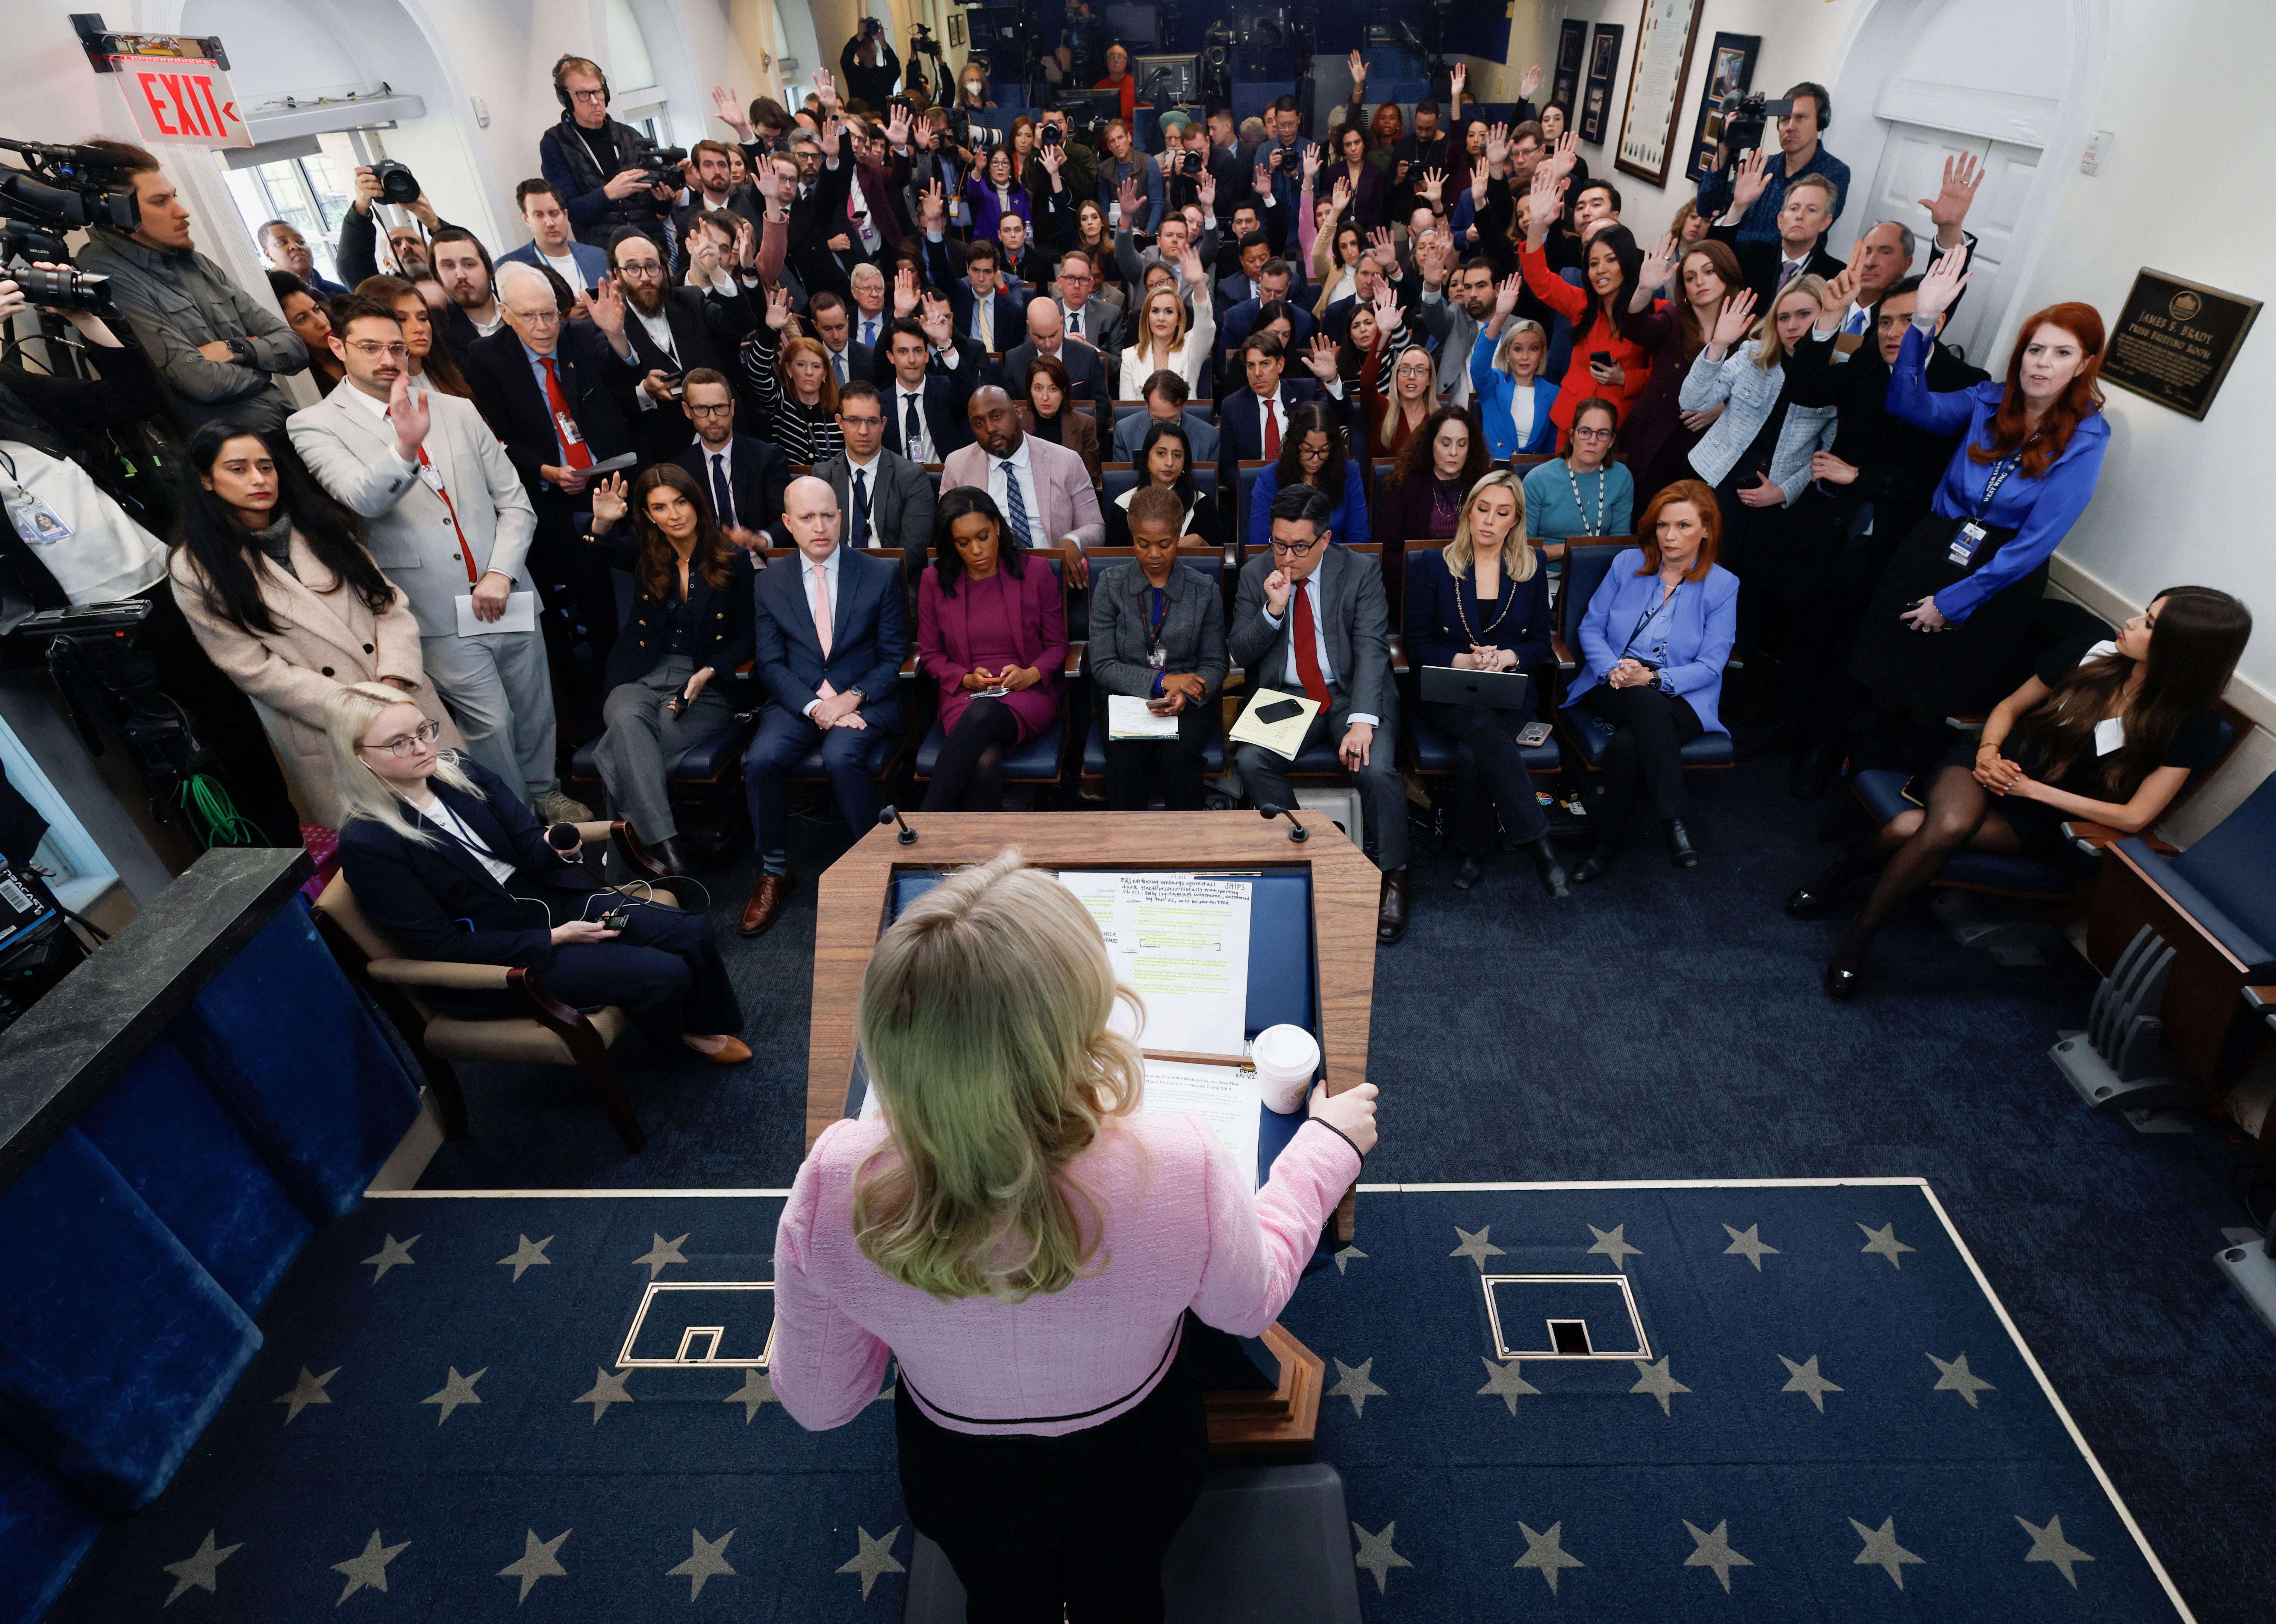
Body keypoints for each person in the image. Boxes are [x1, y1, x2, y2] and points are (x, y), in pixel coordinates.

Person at [771, 845, 1374, 1620]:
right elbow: (1249, 1306)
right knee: (1124, 1591)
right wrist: (1324, 1148)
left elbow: (822, 1401)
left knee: (999, 1599)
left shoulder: (836, 1180)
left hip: (959, 1478)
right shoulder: (1180, 1157)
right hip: (1134, 1461)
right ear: (1082, 1024)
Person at [1793, 588, 2251, 1001]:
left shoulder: (2190, 721)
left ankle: (1838, 877)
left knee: (1908, 826)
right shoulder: (2092, 654)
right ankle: (1859, 940)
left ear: (2181, 650)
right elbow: (2009, 707)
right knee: (1948, 824)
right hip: (1978, 769)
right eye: (2144, 613)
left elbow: (2134, 817)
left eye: (2150, 624)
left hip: (2037, 813)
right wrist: (1989, 752)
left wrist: (2032, 790)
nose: (2132, 623)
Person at [0, 267, 303, 844]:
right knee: (181, 767)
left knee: (236, 729)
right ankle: (252, 890)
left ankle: (299, 867)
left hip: (162, 579)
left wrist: (89, 319)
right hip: (86, 622)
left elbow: (130, 398)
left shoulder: (9, 386)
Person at [329, 683, 746, 1063]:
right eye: (400, 743)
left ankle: (699, 1025)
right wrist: (553, 937)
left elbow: (528, 840)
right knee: (663, 972)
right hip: (505, 954)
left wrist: (553, 849)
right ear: (359, 757)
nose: (422, 748)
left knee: (690, 932)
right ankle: (673, 1043)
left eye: (424, 731)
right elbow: (440, 945)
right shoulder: (369, 842)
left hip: (552, 900)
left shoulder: (459, 771)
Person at [290, 295, 586, 824]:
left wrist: (500, 573)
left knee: (534, 708)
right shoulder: (313, 425)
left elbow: (515, 503)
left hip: (508, 587)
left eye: (397, 348)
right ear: (337, 347)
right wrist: (404, 448)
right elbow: (362, 498)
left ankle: (547, 793)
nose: (388, 359)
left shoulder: (456, 408)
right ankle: (515, 820)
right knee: (489, 723)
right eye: (370, 347)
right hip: (434, 608)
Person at [1848, 249, 2111, 765]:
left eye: (2062, 354)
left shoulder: (2088, 437)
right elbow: (1908, 403)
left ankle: (1901, 807)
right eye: (2036, 350)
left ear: (2084, 364)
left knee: (1932, 701)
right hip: (1933, 543)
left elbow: (2037, 541)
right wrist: (1922, 322)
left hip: (1999, 575)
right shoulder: (1986, 400)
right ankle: (1855, 787)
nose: (2043, 364)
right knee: (1882, 682)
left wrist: (1953, 603)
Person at [168, 424, 455, 835]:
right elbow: (252, 669)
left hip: (402, 698)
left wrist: (390, 684)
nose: (258, 479)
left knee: (458, 810)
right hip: (324, 722)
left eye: (266, 467)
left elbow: (388, 604)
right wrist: (359, 711)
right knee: (390, 845)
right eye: (238, 468)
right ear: (205, 479)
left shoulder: (322, 526)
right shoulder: (195, 567)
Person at [1768, 269, 1990, 795]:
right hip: (1832, 526)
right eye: (1885, 321)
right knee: (1805, 629)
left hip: (1897, 541)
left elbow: (1941, 481)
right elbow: (1806, 388)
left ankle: (1824, 750)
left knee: (1854, 648)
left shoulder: (1965, 383)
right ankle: (1779, 730)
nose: (1893, 332)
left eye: (1907, 321)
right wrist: (1825, 323)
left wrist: (1860, 477)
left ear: (1935, 321)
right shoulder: (1868, 360)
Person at [1232, 482, 1407, 937]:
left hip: (1351, 693)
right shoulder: (1256, 575)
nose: (1287, 558)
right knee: (1250, 759)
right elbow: (1240, 652)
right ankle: (1312, 857)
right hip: (1289, 698)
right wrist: (1273, 610)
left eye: (1300, 547)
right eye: (1278, 544)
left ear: (1326, 540)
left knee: (1376, 769)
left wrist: (1363, 720)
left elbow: (1372, 651)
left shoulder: (1360, 571)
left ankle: (1393, 875)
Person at [741, 475, 905, 929]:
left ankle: (874, 865)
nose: (820, 526)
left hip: (865, 700)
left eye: (828, 515)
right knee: (760, 759)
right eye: (807, 517)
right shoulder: (769, 583)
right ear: (787, 523)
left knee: (841, 757)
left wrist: (851, 699)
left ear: (841, 518)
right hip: (798, 701)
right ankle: (775, 872)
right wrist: (817, 708)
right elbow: (771, 665)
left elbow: (894, 658)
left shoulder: (879, 574)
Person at [578, 465, 758, 875]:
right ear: (649, 515)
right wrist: (602, 522)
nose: (674, 514)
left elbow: (748, 639)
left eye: (680, 502)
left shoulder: (733, 560)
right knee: (625, 720)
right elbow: (597, 550)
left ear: (695, 502)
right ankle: (668, 846)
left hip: (704, 684)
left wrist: (708, 672)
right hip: (638, 675)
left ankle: (632, 861)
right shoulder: (643, 552)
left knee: (626, 749)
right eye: (660, 507)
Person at [465, 263, 643, 666]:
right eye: (529, 316)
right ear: (504, 313)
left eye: (550, 314)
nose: (544, 326)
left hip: (614, 476)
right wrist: (544, 471)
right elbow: (501, 439)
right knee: (592, 587)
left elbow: (623, 372)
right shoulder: (487, 357)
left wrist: (615, 334)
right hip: (553, 491)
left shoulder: (579, 335)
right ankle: (608, 672)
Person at [1562, 480, 1735, 879]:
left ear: (1707, 529)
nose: (1670, 536)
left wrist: (1655, 679)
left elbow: (1712, 665)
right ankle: (1673, 821)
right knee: (1644, 705)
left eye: (1684, 526)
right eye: (1663, 526)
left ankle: (1604, 846)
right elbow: (1591, 629)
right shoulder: (1628, 564)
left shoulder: (1724, 586)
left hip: (1683, 694)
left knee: (1627, 744)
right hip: (1615, 681)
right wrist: (1614, 670)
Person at [1404, 470, 1565, 895]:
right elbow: (1415, 645)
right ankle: (1539, 844)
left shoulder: (1531, 567)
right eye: (1482, 509)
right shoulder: (1436, 566)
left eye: (1502, 513)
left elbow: (1539, 645)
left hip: (1507, 691)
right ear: (1468, 512)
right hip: (1448, 691)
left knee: (1476, 750)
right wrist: (1464, 660)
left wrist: (1508, 657)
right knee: (1477, 724)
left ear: (1515, 520)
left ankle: (1474, 849)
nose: (1490, 521)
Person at [73, 141, 308, 432]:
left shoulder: (194, 261)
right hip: (232, 455)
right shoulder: (104, 271)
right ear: (116, 212)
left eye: (175, 197)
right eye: (160, 202)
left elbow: (295, 348)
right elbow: (203, 382)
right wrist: (263, 368)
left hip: (288, 425)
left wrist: (234, 349)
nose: (182, 211)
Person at [1676, 275, 1837, 592]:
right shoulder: (1752, 354)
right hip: (1715, 478)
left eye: (1804, 315)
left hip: (1775, 496)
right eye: (1784, 317)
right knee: (1691, 570)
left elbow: (1829, 455)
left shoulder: (1839, 373)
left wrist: (1784, 492)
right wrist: (1719, 344)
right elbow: (1692, 402)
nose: (1792, 326)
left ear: (1826, 316)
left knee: (1742, 586)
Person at [916, 489, 1069, 811]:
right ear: (951, 543)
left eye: (983, 536)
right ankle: (986, 857)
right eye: (963, 542)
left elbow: (1058, 646)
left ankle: (925, 821)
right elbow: (930, 656)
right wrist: (966, 679)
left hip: (1028, 693)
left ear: (997, 527)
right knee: (984, 759)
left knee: (982, 716)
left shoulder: (1036, 572)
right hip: (965, 694)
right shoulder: (934, 580)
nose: (976, 550)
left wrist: (1031, 674)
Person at [1091, 488, 1228, 811]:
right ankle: (1130, 855)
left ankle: (1188, 855)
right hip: (1126, 699)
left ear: (1178, 535)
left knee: (1178, 760)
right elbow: (1102, 664)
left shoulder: (1203, 590)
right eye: (1143, 544)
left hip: (1188, 702)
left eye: (1164, 544)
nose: (1154, 554)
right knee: (1126, 761)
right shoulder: (1110, 585)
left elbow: (1214, 664)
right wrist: (1164, 682)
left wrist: (1187, 693)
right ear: (1131, 534)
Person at [1515, 168, 1666, 438]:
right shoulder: (1582, 303)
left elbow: (1664, 374)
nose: (1601, 270)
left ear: (1627, 262)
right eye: (1593, 263)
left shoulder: (1654, 311)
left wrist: (1624, 379)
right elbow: (1539, 279)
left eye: (1610, 260)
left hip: (1618, 425)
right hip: (1570, 420)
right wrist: (1538, 225)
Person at [607, 227, 758, 460]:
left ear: (663, 269)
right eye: (633, 268)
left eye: (651, 266)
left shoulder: (690, 299)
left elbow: (741, 324)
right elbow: (613, 397)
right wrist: (644, 392)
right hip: (668, 450)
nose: (645, 277)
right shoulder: (610, 323)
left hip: (727, 433)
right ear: (618, 274)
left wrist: (715, 270)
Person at [940, 387, 1106, 587]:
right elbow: (946, 532)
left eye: (997, 416)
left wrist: (1073, 541)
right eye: (979, 423)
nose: (990, 428)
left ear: (1018, 413)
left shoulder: (1065, 461)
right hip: (987, 580)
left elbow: (1095, 526)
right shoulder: (957, 465)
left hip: (1053, 576)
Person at [1622, 236, 1745, 501]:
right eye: (1690, 278)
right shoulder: (1672, 320)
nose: (1700, 282)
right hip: (1652, 441)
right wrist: (1644, 288)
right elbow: (1634, 327)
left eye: (1709, 272)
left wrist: (1722, 408)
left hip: (1706, 450)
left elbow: (1757, 393)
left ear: (1727, 273)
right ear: (1684, 291)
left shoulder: (1747, 331)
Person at [539, 55, 678, 249]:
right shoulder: (556, 144)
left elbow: (659, 209)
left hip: (650, 248)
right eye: (583, 94)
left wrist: (664, 199)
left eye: (598, 92)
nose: (595, 101)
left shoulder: (630, 136)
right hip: (604, 255)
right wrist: (609, 193)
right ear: (566, 99)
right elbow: (569, 211)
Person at [1695, 81, 1847, 247]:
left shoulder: (1834, 173)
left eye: (1801, 118)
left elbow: (1797, 236)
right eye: (1785, 120)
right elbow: (1706, 207)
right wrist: (1724, 146)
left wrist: (1732, 230)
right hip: (1736, 267)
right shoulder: (1762, 167)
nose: (1790, 127)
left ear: (1821, 122)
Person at [812, 382, 935, 576]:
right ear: (840, 422)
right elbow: (815, 546)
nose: (863, 431)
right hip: (837, 579)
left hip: (893, 581)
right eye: (853, 421)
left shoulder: (911, 477)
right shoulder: (822, 477)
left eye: (871, 421)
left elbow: (913, 551)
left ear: (883, 424)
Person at [669, 369, 790, 551]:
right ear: (688, 411)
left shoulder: (767, 457)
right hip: (704, 564)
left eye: (720, 407)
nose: (713, 418)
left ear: (732, 408)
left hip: (757, 561)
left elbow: (787, 519)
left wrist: (759, 540)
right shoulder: (679, 469)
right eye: (702, 409)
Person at [1705, 158, 1844, 310]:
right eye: (1794, 208)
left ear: (1826, 222)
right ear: (1780, 220)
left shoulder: (1835, 275)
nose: (1800, 216)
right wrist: (1739, 206)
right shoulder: (1754, 254)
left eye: (1811, 210)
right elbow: (1713, 260)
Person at [1378, 407, 1490, 594]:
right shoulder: (1405, 486)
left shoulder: (1483, 487)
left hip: (1474, 586)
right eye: (1446, 444)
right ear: (1431, 444)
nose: (1454, 452)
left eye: (1462, 445)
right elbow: (1388, 554)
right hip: (1417, 587)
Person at [1519, 397, 1635, 561]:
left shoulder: (1621, 477)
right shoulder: (1538, 479)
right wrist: (1572, 549)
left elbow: (1620, 542)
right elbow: (1522, 548)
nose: (1593, 441)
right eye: (1585, 432)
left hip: (1601, 570)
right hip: (1545, 573)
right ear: (1573, 437)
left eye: (1602, 434)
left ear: (1611, 441)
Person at [1246, 401, 1371, 551]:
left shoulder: (1349, 473)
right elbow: (1260, 545)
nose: (1316, 459)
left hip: (1336, 568)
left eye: (1324, 451)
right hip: (1283, 566)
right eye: (1307, 450)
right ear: (1294, 446)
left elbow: (1358, 540)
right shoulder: (1269, 477)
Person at [743, 288, 847, 464]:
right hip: (790, 485)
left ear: (825, 374)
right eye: (801, 365)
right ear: (789, 370)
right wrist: (770, 331)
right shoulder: (780, 401)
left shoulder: (839, 409)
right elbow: (757, 371)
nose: (809, 372)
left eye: (816, 366)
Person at [876, 312, 977, 465]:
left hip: (946, 481)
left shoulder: (946, 389)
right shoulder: (881, 403)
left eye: (918, 351)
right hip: (899, 486)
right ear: (891, 357)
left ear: (927, 356)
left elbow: (968, 395)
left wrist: (945, 343)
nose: (912, 360)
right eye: (903, 352)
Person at [1218, 331, 1329, 465]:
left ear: (1280, 365)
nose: (1258, 373)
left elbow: (1340, 416)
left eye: (1265, 364)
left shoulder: (1305, 392)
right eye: (1251, 366)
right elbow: (1228, 466)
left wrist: (1331, 379)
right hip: (1257, 484)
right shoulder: (1233, 407)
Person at [356, 274, 472, 398]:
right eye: (402, 319)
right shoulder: (379, 395)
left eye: (423, 318)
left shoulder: (452, 376)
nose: (419, 329)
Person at [1105, 420, 1214, 551]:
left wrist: (1200, 542)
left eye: (1177, 455)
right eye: (1161, 454)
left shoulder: (1202, 505)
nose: (1170, 462)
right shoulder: (1124, 505)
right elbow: (1113, 563)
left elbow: (1217, 561)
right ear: (1146, 458)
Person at [1470, 301, 1559, 459]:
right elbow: (1478, 365)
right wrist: (1500, 317)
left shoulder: (1554, 393)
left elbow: (1553, 448)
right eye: (1518, 349)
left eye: (1534, 349)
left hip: (1533, 475)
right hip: (1493, 473)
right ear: (1507, 354)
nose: (1525, 357)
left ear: (1543, 353)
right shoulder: (1494, 383)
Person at [1115, 263, 1217, 396]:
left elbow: (1206, 325)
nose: (1161, 318)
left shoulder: (1192, 348)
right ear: (1147, 317)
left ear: (1179, 320)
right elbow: (1128, 410)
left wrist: (1198, 284)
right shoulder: (1130, 356)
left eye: (1169, 312)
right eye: (1155, 311)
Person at [497, 180, 612, 297]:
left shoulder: (598, 256)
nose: (550, 223)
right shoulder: (510, 268)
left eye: (554, 213)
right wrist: (564, 314)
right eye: (539, 215)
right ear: (526, 219)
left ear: (565, 215)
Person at [1016, 355, 1103, 488]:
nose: (1045, 397)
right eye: (1039, 389)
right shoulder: (1017, 422)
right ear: (1030, 390)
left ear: (1063, 391)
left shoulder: (1084, 425)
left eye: (1053, 389)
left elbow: (1091, 479)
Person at [1006, 300, 1110, 410]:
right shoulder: (1014, 360)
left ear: (1062, 323)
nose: (1048, 344)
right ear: (1029, 327)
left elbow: (1101, 409)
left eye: (1053, 335)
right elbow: (1013, 413)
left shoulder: (1087, 357)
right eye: (1040, 338)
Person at [1114, 371, 1220, 463]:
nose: (1165, 426)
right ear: (1147, 405)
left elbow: (1206, 483)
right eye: (1157, 420)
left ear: (1184, 405)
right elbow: (1124, 481)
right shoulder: (1125, 432)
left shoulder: (1209, 437)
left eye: (1172, 420)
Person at [431, 227, 506, 356]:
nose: (460, 275)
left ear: (488, 270)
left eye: (469, 265)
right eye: (449, 266)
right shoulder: (437, 332)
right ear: (437, 275)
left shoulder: (517, 307)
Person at [268, 273, 345, 394]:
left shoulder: (351, 346)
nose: (322, 323)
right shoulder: (302, 380)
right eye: (303, 319)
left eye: (317, 310)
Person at [1052, 249, 1122, 351]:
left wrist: (1093, 351)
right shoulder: (1045, 316)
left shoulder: (1111, 315)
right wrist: (1059, 348)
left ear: (1091, 285)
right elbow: (1032, 358)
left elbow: (1118, 362)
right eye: (1071, 278)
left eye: (1083, 279)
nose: (1077, 285)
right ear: (1059, 282)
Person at [258, 221, 348, 298]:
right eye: (283, 243)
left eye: (301, 241)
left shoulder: (341, 295)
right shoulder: (268, 298)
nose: (296, 246)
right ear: (268, 254)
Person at [840, 20, 901, 111]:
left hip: (884, 122)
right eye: (863, 45)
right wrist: (859, 36)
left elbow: (895, 68)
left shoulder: (884, 74)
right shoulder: (854, 74)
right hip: (862, 121)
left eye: (870, 44)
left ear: (876, 50)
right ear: (857, 53)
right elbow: (845, 60)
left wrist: (883, 44)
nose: (867, 48)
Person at [1094, 41, 1138, 125]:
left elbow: (1146, 118)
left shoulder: (1137, 85)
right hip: (1105, 137)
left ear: (1127, 62)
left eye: (1120, 57)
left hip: (1131, 137)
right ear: (1107, 61)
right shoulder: (1099, 88)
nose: (1116, 60)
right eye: (1112, 56)